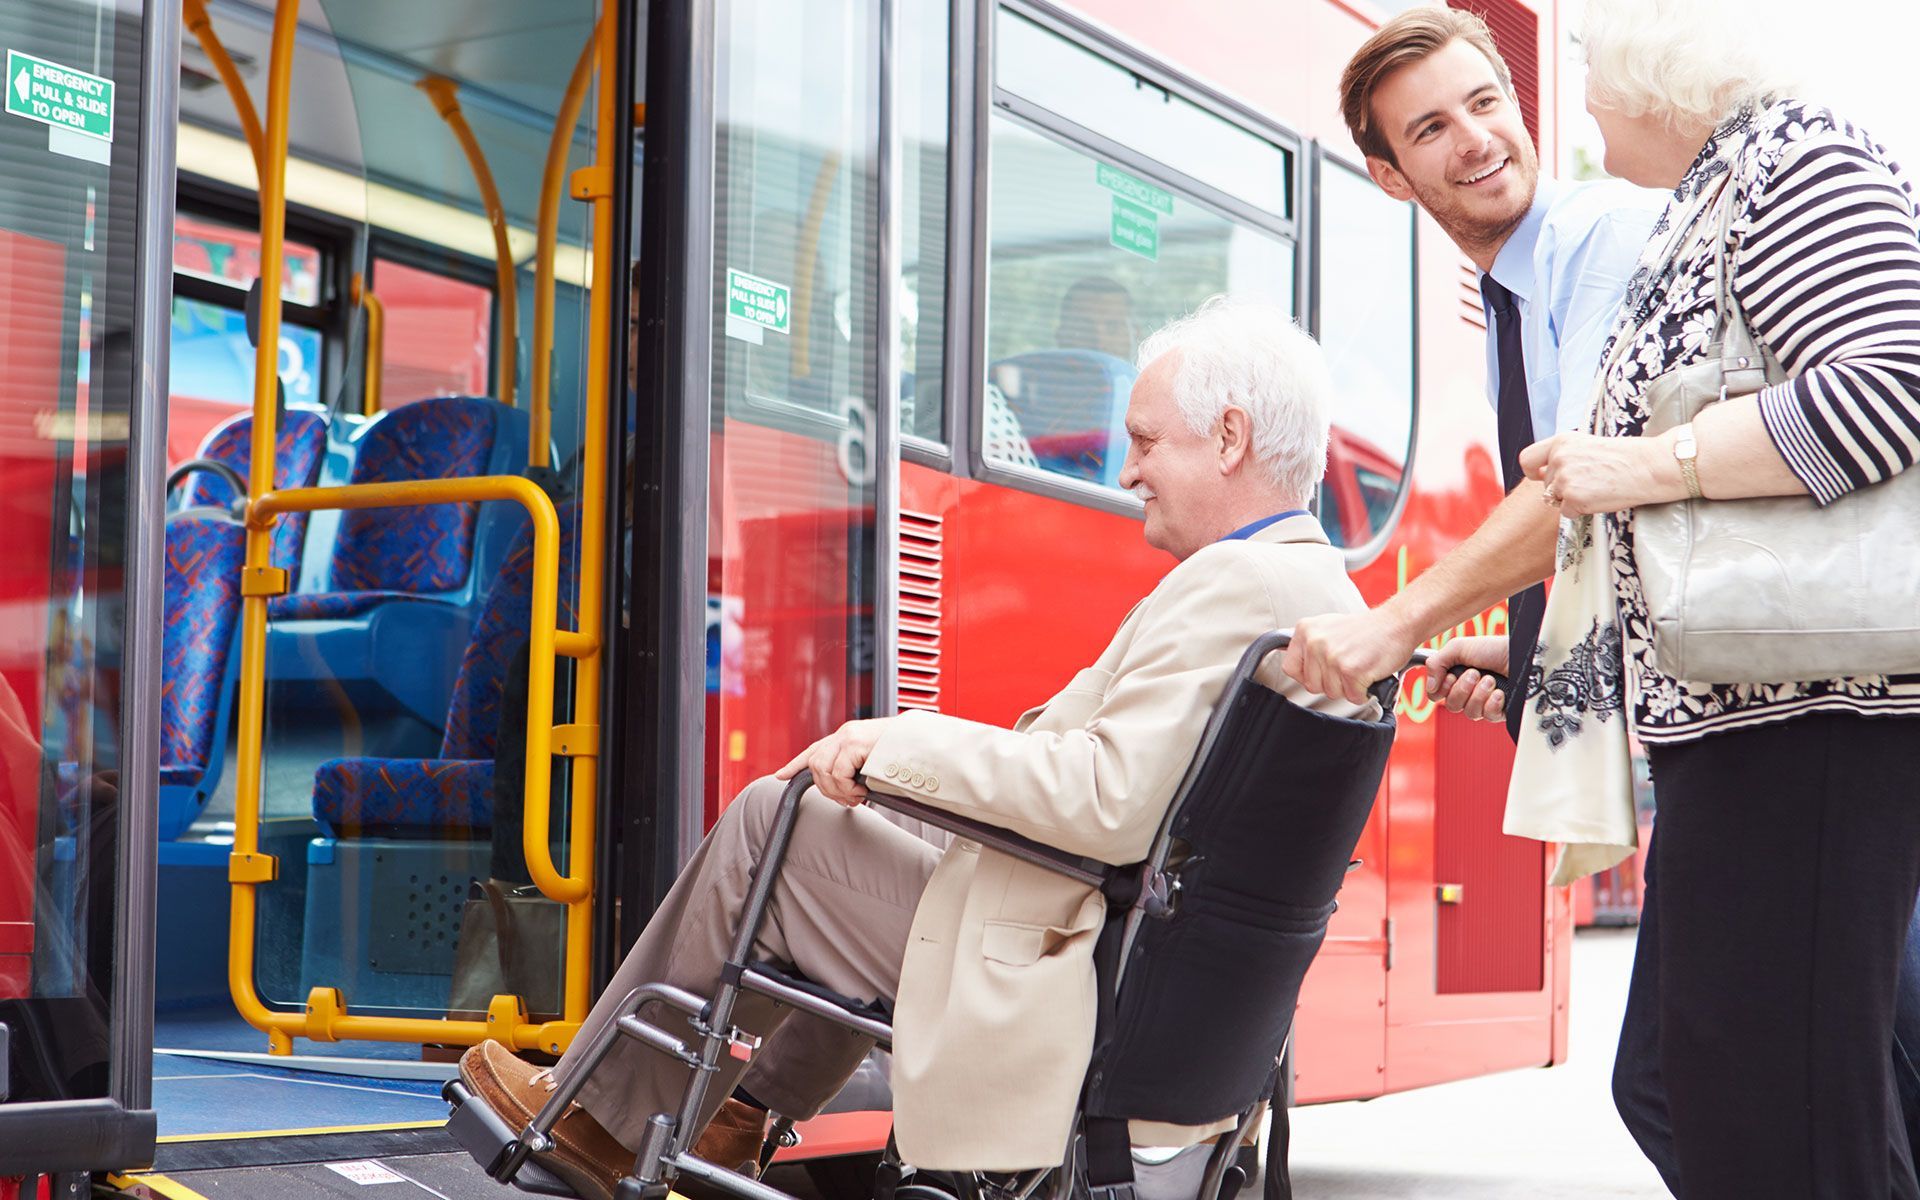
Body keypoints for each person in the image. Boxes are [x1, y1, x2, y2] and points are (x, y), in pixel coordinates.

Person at [457, 298, 1379, 1200]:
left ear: (1228, 439)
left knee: (774, 824)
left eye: (1145, 442)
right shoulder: (1321, 589)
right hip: (1145, 970)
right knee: (854, 835)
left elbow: (1106, 801)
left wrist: (898, 742)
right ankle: (739, 1117)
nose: (1128, 471)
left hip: (1074, 972)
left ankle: (598, 1123)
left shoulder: (1234, 583)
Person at [1517, 0, 1920, 1194]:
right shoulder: (1714, 191)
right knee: (1698, 1085)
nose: (1579, 102)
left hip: (1815, 713)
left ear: (1660, 73)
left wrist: (1638, 465)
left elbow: (1891, 387)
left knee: (1774, 1110)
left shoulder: (1797, 161)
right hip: (1747, 714)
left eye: (1589, 67)